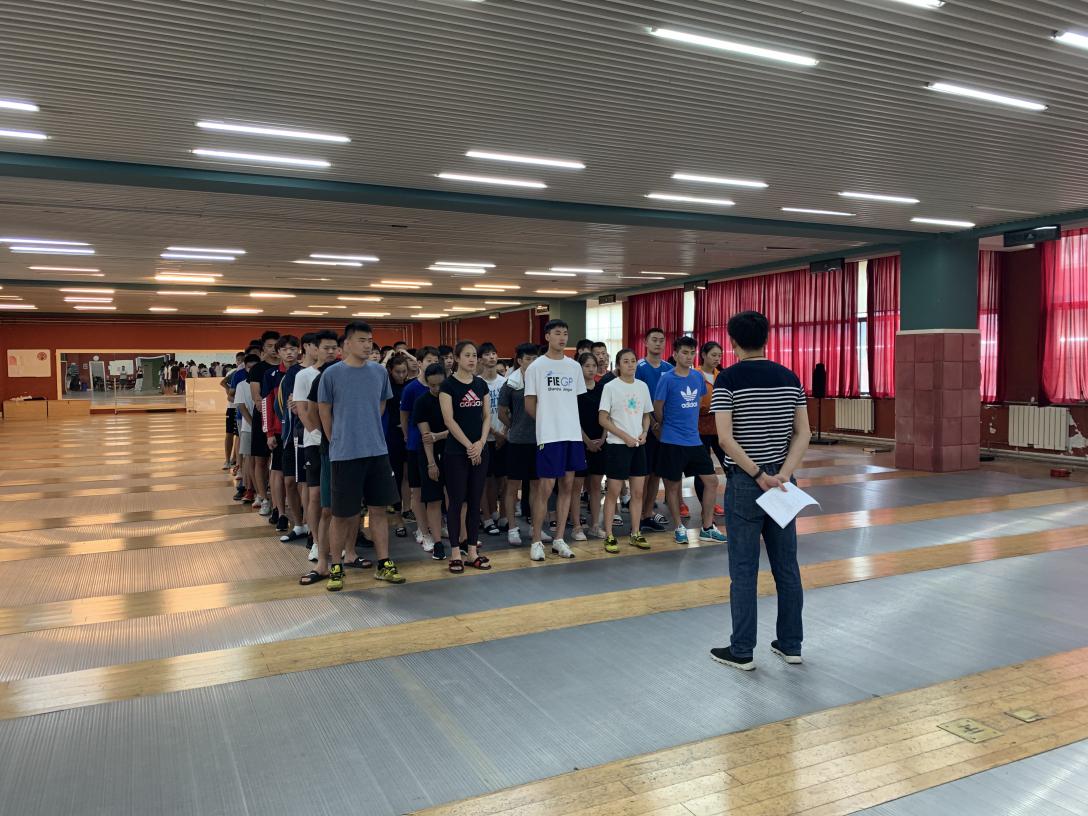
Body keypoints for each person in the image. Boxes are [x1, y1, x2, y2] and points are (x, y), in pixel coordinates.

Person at [711, 311, 810, 671]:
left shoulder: (727, 379)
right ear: (767, 338)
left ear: (733, 342)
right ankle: (791, 645)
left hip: (745, 484)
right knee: (787, 566)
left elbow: (725, 438)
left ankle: (742, 650)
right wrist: (782, 474)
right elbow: (803, 432)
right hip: (782, 485)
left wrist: (757, 475)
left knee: (743, 569)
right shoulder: (790, 378)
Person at [317, 321, 405, 590]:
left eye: (370, 340)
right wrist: (338, 440)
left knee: (379, 510)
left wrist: (367, 430)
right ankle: (336, 566)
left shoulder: (379, 372)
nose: (367, 345)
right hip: (345, 455)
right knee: (342, 514)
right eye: (362, 340)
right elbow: (324, 412)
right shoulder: (332, 374)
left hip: (377, 451)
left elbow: (380, 405)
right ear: (347, 344)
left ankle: (384, 563)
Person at [653, 336, 727, 545]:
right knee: (673, 486)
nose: (689, 356)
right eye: (684, 352)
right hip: (672, 441)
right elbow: (658, 408)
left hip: (694, 440)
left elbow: (698, 402)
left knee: (711, 481)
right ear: (675, 354)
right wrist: (666, 426)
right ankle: (679, 527)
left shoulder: (697, 377)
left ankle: (707, 527)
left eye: (692, 353)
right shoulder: (667, 379)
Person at [524, 319, 585, 561]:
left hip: (572, 434)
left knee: (568, 486)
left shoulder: (574, 367)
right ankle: (536, 540)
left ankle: (559, 538)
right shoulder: (536, 367)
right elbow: (530, 405)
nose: (562, 337)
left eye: (565, 333)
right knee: (545, 488)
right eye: (557, 333)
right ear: (547, 336)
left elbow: (574, 400)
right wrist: (546, 421)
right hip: (549, 436)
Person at [439, 341, 493, 573]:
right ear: (457, 358)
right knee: (456, 502)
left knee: (474, 502)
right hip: (456, 452)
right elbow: (449, 420)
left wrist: (480, 443)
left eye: (474, 356)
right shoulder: (448, 386)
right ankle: (455, 553)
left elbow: (487, 416)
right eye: (467, 355)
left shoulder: (481, 385)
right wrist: (469, 446)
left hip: (480, 451)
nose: (472, 359)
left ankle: (472, 552)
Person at [598, 348, 653, 553]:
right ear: (618, 365)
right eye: (626, 361)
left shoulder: (642, 386)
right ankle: (609, 535)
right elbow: (603, 419)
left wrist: (644, 433)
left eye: (633, 361)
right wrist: (625, 436)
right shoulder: (611, 387)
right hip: (617, 446)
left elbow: (646, 415)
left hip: (638, 446)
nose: (630, 364)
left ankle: (635, 533)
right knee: (613, 492)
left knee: (638, 492)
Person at [296, 330, 339, 582]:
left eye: (334, 348)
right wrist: (322, 434)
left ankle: (343, 545)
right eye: (326, 348)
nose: (330, 352)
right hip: (315, 443)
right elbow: (303, 411)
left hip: (339, 446)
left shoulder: (341, 373)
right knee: (316, 496)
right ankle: (315, 541)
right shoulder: (305, 375)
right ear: (314, 349)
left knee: (339, 500)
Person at [498, 342, 548, 548]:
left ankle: (535, 527)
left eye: (535, 358)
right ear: (519, 361)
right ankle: (512, 527)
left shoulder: (543, 380)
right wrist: (514, 427)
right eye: (528, 359)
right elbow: (501, 412)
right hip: (517, 442)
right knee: (513, 487)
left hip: (540, 440)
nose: (532, 362)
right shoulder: (511, 384)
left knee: (537, 487)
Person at [401, 346, 441, 551]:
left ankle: (436, 528)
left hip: (440, 444)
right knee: (417, 492)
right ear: (419, 363)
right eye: (428, 361)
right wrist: (408, 436)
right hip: (417, 445)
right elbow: (404, 415)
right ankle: (423, 531)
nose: (432, 364)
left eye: (435, 360)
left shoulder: (444, 387)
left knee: (438, 493)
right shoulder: (411, 388)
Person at [636, 327, 673, 533]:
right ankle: (638, 516)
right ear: (646, 343)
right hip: (645, 428)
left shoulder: (669, 368)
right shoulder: (640, 367)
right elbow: (639, 398)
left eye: (661, 340)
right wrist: (652, 423)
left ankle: (647, 515)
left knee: (657, 474)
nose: (658, 343)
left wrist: (664, 424)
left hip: (665, 428)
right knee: (644, 474)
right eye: (654, 340)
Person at [279, 334, 315, 543]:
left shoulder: (327, 370)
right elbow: (288, 405)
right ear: (308, 347)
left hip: (311, 434)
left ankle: (311, 527)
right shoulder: (293, 373)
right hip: (293, 433)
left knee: (307, 484)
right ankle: (299, 524)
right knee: (290, 481)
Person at [412, 363, 450, 560]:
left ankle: (460, 539)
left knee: (455, 497)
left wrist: (439, 436)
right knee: (433, 499)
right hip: (430, 454)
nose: (436, 389)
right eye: (432, 385)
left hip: (453, 453)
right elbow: (426, 437)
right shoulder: (422, 402)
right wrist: (431, 463)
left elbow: (461, 428)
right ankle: (437, 542)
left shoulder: (453, 397)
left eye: (440, 384)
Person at [263, 335, 299, 531]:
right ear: (278, 353)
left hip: (298, 430)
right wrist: (269, 432)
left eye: (293, 348)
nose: (289, 352)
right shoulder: (271, 374)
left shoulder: (303, 372)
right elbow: (266, 404)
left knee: (296, 477)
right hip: (278, 431)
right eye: (285, 349)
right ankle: (280, 511)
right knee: (277, 471)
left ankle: (299, 513)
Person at [571, 353, 607, 539]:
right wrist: (586, 441)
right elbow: (573, 419)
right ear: (580, 368)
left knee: (596, 486)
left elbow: (607, 415)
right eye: (587, 366)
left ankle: (595, 525)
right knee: (576, 487)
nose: (591, 369)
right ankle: (577, 526)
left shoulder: (602, 389)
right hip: (579, 443)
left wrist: (602, 438)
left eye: (594, 365)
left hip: (600, 443)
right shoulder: (575, 390)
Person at [247, 331, 280, 516]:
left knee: (279, 464)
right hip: (263, 419)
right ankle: (263, 497)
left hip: (283, 421)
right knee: (261, 460)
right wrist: (271, 413)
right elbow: (257, 398)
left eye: (276, 345)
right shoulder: (258, 369)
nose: (273, 349)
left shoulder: (289, 368)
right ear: (263, 348)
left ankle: (279, 499)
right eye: (269, 346)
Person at [477, 342, 507, 536]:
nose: (491, 357)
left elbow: (508, 410)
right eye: (487, 354)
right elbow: (479, 414)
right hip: (485, 439)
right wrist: (494, 433)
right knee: (484, 481)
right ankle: (487, 518)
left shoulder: (505, 382)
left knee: (503, 480)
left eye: (494, 353)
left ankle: (502, 516)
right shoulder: (477, 383)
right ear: (480, 359)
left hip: (504, 437)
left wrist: (504, 433)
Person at [696, 341, 727, 518]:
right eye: (713, 355)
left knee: (729, 466)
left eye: (719, 356)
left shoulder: (722, 376)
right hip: (699, 429)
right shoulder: (695, 375)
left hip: (720, 429)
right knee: (703, 471)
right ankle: (706, 506)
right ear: (703, 355)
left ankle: (730, 502)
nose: (717, 359)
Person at [385, 353, 410, 538]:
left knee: (410, 476)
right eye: (397, 372)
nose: (401, 375)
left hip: (410, 436)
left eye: (404, 371)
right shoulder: (386, 387)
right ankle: (398, 517)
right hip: (392, 436)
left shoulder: (411, 386)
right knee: (397, 476)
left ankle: (409, 509)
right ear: (390, 371)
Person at [233, 354, 261, 507]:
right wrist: (253, 425)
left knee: (262, 463)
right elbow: (242, 407)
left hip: (264, 429)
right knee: (249, 461)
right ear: (245, 368)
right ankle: (250, 489)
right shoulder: (241, 385)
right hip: (248, 429)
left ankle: (261, 491)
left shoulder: (264, 382)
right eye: (250, 368)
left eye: (255, 368)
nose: (252, 371)